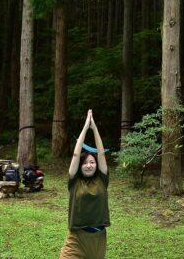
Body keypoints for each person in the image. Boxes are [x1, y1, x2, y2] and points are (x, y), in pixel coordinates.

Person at [60, 110, 110, 259]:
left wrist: (94, 128)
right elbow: (76, 154)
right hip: (77, 238)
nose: (89, 165)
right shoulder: (74, 182)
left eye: (92, 162)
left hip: (98, 239)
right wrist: (84, 128)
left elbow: (101, 154)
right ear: (80, 166)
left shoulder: (102, 179)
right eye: (85, 163)